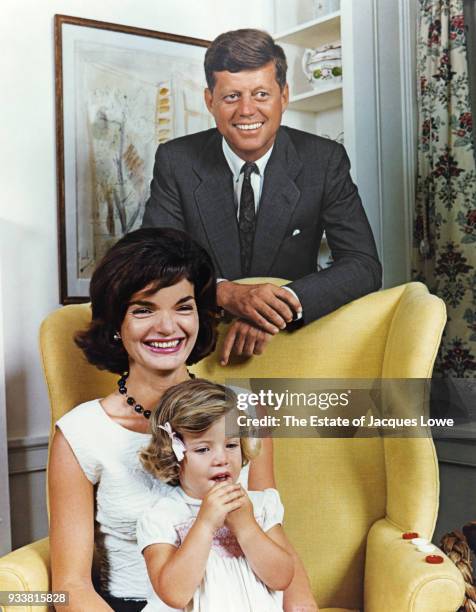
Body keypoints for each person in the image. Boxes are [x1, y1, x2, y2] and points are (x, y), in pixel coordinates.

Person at [48, 228, 317, 612]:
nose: (167, 327)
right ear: (115, 324)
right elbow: (70, 584)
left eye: (183, 307)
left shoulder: (244, 412)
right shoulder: (81, 434)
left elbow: (275, 539)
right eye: (144, 309)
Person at [142, 29, 382, 364]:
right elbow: (151, 263)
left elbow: (363, 265)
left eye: (260, 94)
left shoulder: (324, 160)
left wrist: (278, 306)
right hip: (200, 350)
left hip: (294, 344)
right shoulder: (175, 160)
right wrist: (225, 293)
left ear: (284, 96)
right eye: (231, 97)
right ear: (210, 101)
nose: (246, 110)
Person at [137, 379, 293, 611]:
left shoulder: (260, 505)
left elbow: (282, 577)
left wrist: (247, 527)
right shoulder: (162, 516)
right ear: (173, 455)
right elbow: (174, 594)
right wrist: (205, 524)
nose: (222, 459)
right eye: (203, 449)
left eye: (231, 445)